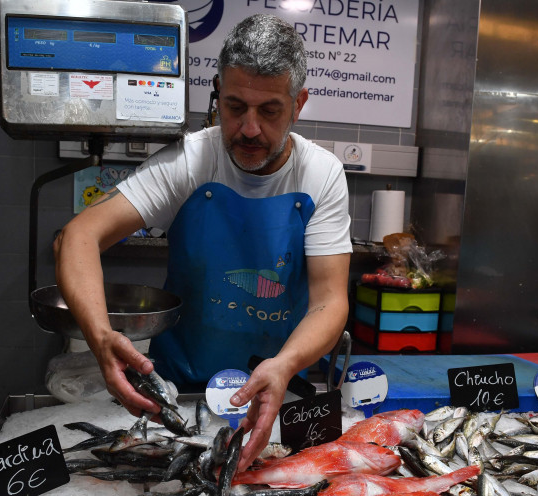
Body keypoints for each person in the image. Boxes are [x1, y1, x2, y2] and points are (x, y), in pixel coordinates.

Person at [53, 14, 351, 471]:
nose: (249, 129)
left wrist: (286, 363)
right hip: (182, 393)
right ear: (217, 93)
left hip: (276, 391)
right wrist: (99, 335)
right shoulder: (192, 160)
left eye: (269, 110)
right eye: (235, 107)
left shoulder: (322, 174)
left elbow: (330, 301)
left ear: (299, 104)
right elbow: (78, 236)